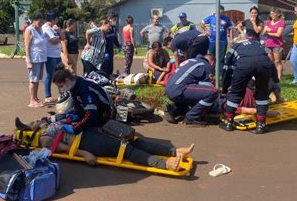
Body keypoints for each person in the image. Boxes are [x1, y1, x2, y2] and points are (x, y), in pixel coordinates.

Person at [39, 125, 194, 172]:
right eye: (33, 124)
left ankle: (174, 151)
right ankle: (166, 164)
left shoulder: (49, 124)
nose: (37, 122)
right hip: (87, 144)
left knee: (135, 141)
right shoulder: (43, 138)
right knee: (126, 149)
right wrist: (85, 154)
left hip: (91, 133)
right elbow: (65, 148)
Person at [219, 38, 278, 134]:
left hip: (244, 65)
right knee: (262, 93)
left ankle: (229, 123)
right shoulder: (256, 43)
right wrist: (276, 80)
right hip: (264, 64)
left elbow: (227, 70)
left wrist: (224, 89)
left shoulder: (234, 48)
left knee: (236, 93)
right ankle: (261, 125)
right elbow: (268, 61)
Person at [52, 64, 113, 134]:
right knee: (65, 115)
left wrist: (75, 129)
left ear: (67, 80)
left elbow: (91, 114)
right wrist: (76, 114)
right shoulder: (74, 86)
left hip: (102, 115)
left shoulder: (85, 90)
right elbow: (78, 104)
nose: (60, 89)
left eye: (61, 86)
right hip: (90, 112)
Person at [164, 54, 217, 125]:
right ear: (213, 63)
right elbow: (207, 88)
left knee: (191, 99)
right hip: (178, 89)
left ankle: (174, 110)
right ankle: (192, 116)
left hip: (169, 88)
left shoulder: (191, 61)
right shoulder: (206, 65)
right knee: (213, 92)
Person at [24, 12, 47, 108]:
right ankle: (31, 100)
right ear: (34, 20)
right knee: (33, 80)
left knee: (37, 79)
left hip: (41, 58)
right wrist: (28, 60)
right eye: (39, 21)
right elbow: (27, 46)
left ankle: (35, 97)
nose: (40, 24)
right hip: (34, 59)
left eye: (41, 22)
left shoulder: (40, 29)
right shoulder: (29, 30)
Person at [200, 5, 233, 71]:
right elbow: (202, 22)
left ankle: (221, 72)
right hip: (212, 41)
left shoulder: (226, 18)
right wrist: (206, 30)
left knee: (221, 58)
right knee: (211, 57)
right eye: (219, 12)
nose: (220, 13)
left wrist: (231, 39)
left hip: (222, 41)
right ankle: (211, 71)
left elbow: (230, 28)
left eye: (222, 12)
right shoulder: (211, 18)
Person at [42, 13, 63, 103]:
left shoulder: (54, 28)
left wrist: (59, 32)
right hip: (50, 55)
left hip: (57, 54)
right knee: (50, 75)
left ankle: (62, 93)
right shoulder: (46, 28)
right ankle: (48, 96)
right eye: (56, 19)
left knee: (59, 74)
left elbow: (62, 37)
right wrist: (60, 36)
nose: (57, 21)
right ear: (53, 19)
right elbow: (54, 40)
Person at [264, 8, 285, 80]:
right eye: (271, 14)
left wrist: (268, 32)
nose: (271, 15)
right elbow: (264, 32)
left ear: (278, 14)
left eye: (273, 14)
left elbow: (278, 34)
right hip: (268, 44)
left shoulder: (281, 22)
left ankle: (279, 77)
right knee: (270, 62)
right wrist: (266, 31)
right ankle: (272, 76)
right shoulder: (268, 22)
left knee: (277, 61)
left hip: (277, 44)